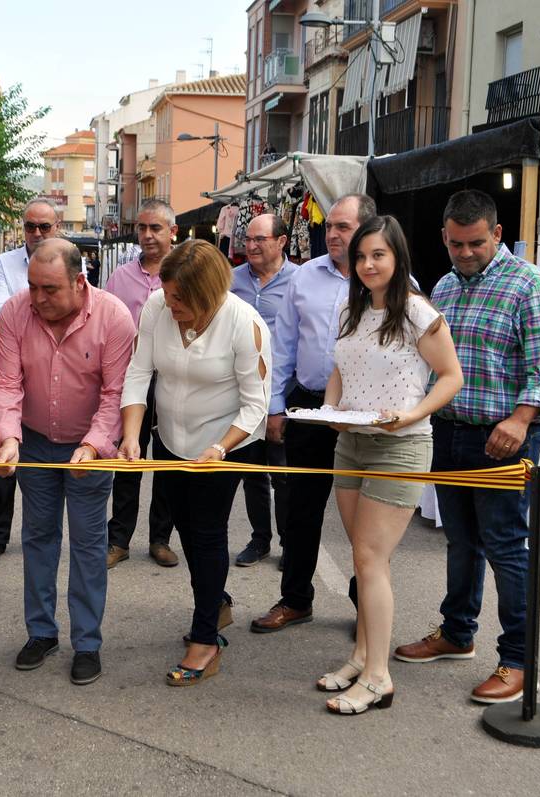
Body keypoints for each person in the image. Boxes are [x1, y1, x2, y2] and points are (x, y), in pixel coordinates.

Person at [394, 189, 540, 705]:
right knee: (460, 542)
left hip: (503, 439)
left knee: (507, 550)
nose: (465, 253)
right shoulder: (444, 287)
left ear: (496, 233)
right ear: (443, 239)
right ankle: (457, 633)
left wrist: (521, 419)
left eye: (474, 243)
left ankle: (518, 660)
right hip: (449, 435)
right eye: (454, 244)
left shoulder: (531, 285)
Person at [317, 215, 463, 714]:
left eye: (378, 254)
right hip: (350, 444)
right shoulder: (351, 311)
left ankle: (379, 677)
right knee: (361, 557)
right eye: (360, 256)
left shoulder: (419, 312)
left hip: (399, 447)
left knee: (370, 559)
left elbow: (450, 377)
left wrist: (412, 413)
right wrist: (330, 410)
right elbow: (340, 369)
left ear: (398, 257)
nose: (367, 264)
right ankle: (361, 656)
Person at [120, 238, 271, 686]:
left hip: (224, 447)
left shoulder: (245, 323)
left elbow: (255, 405)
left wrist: (220, 448)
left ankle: (205, 638)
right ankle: (216, 599)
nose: (172, 307)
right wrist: (131, 435)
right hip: (169, 440)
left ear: (209, 294)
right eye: (167, 296)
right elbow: (139, 371)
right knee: (184, 527)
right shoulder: (155, 308)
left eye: (181, 300)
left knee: (206, 535)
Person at [0, 239, 134, 686]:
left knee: (89, 546)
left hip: (89, 447)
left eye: (50, 289)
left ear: (78, 281)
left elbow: (114, 395)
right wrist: (7, 437)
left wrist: (93, 446)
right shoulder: (14, 312)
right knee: (38, 538)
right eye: (33, 287)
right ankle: (41, 633)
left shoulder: (113, 317)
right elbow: (5, 383)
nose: (39, 299)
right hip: (33, 442)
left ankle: (87, 643)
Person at [254, 193, 377, 635]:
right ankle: (295, 599)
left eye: (343, 226)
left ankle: (368, 601)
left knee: (366, 515)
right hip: (308, 406)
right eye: (330, 226)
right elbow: (283, 346)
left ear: (366, 227)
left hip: (365, 416)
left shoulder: (388, 279)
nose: (333, 233)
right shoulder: (304, 278)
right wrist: (275, 409)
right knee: (301, 508)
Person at [0, 198, 62, 566]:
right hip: (11, 367)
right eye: (31, 227)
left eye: (45, 227)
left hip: (52, 372)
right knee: (3, 447)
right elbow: (0, 315)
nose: (38, 234)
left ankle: (40, 533)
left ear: (56, 227)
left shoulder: (68, 258)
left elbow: (70, 312)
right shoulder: (2, 263)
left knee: (42, 451)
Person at [103, 198, 178, 569]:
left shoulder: (186, 272)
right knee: (127, 459)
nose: (147, 236)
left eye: (156, 229)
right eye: (143, 228)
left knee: (166, 461)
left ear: (172, 232)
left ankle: (161, 539)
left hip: (172, 382)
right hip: (132, 381)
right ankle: (118, 540)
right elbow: (109, 331)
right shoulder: (120, 277)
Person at [230, 213, 296, 568]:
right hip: (241, 394)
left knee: (283, 473)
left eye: (260, 239)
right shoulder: (232, 279)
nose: (250, 246)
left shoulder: (300, 281)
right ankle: (260, 540)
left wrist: (279, 404)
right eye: (248, 239)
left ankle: (288, 542)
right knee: (251, 471)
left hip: (282, 390)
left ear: (282, 241)